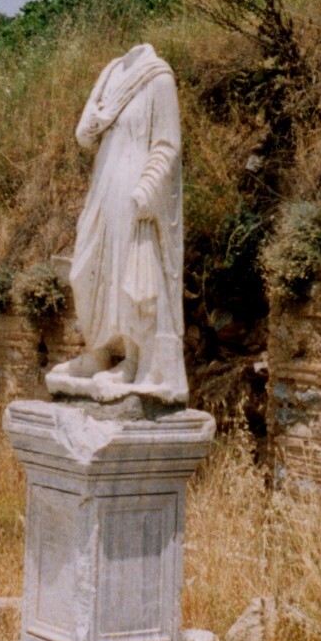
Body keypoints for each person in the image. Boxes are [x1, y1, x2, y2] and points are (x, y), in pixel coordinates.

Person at [47, 43, 189, 404]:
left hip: (134, 189)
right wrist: (98, 113)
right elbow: (84, 136)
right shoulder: (110, 74)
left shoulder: (158, 76)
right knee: (86, 269)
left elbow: (167, 143)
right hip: (103, 187)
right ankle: (97, 352)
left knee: (131, 278)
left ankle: (135, 359)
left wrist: (148, 188)